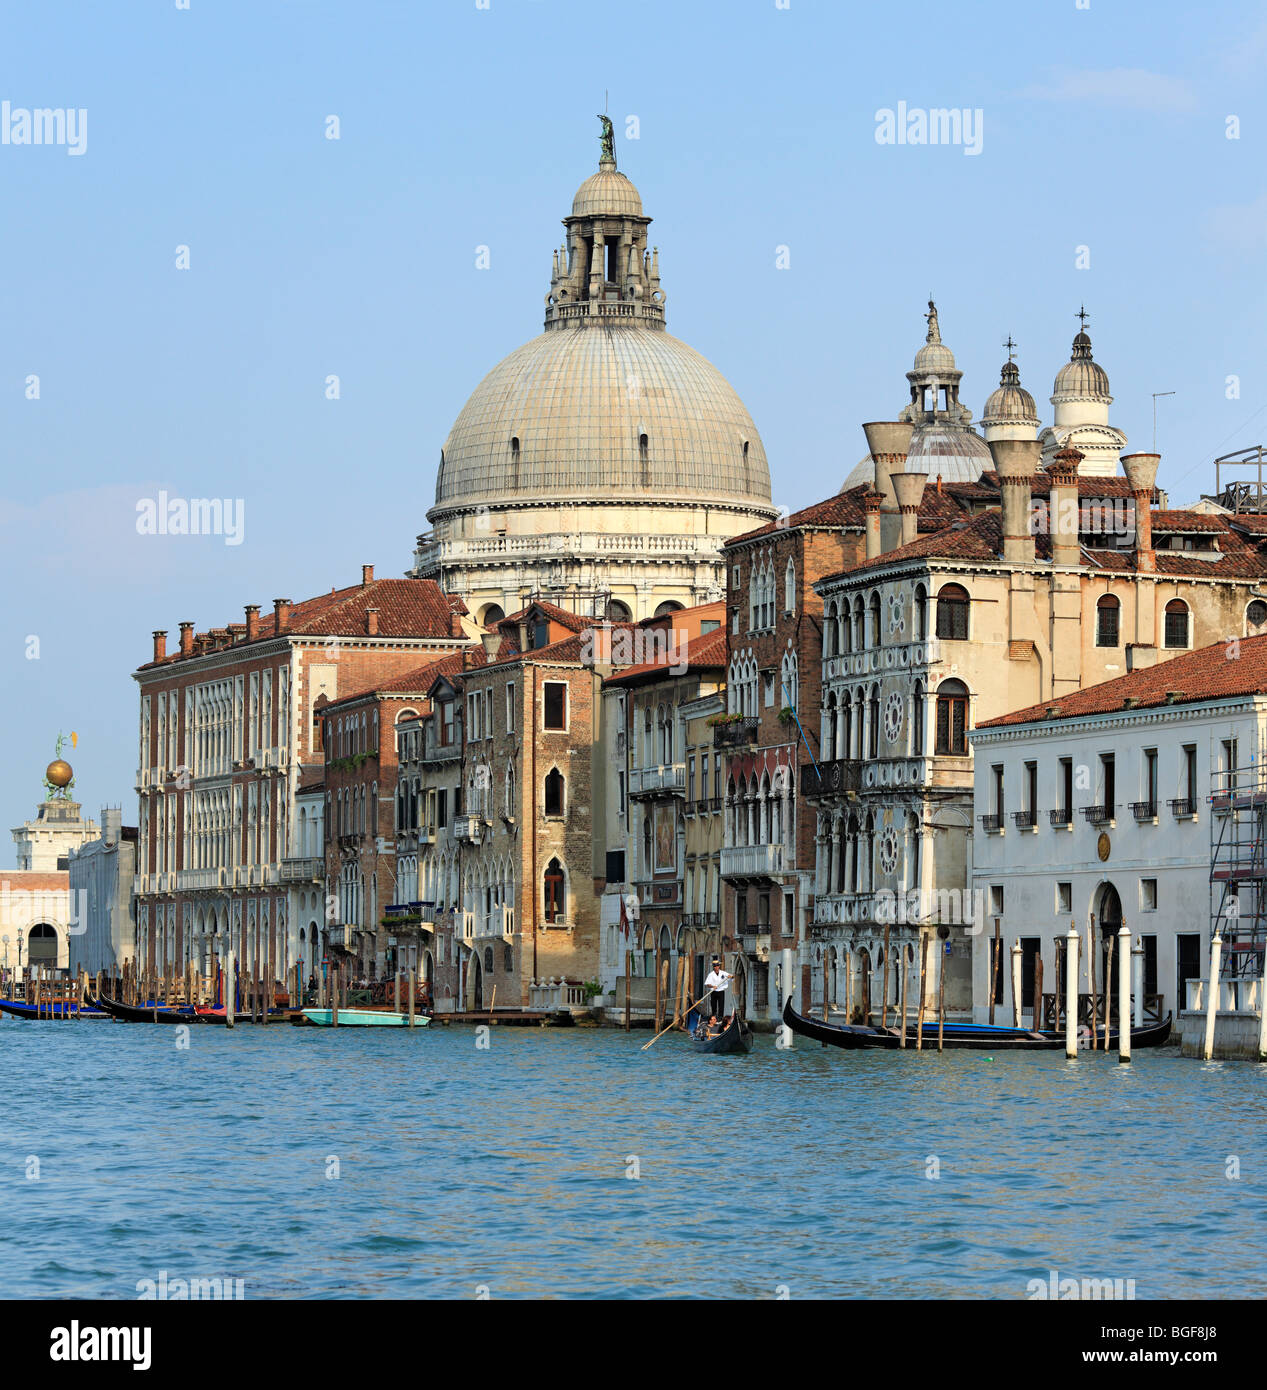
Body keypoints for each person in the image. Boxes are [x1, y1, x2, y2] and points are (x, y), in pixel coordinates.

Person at [702, 957, 733, 1023]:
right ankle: (713, 1019)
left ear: (719, 966)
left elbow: (731, 976)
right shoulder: (710, 975)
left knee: (721, 1005)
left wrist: (731, 976)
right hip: (713, 991)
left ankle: (720, 1019)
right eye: (715, 966)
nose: (716, 967)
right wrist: (713, 986)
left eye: (717, 966)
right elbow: (707, 984)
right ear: (713, 967)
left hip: (721, 991)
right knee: (713, 1005)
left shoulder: (723, 973)